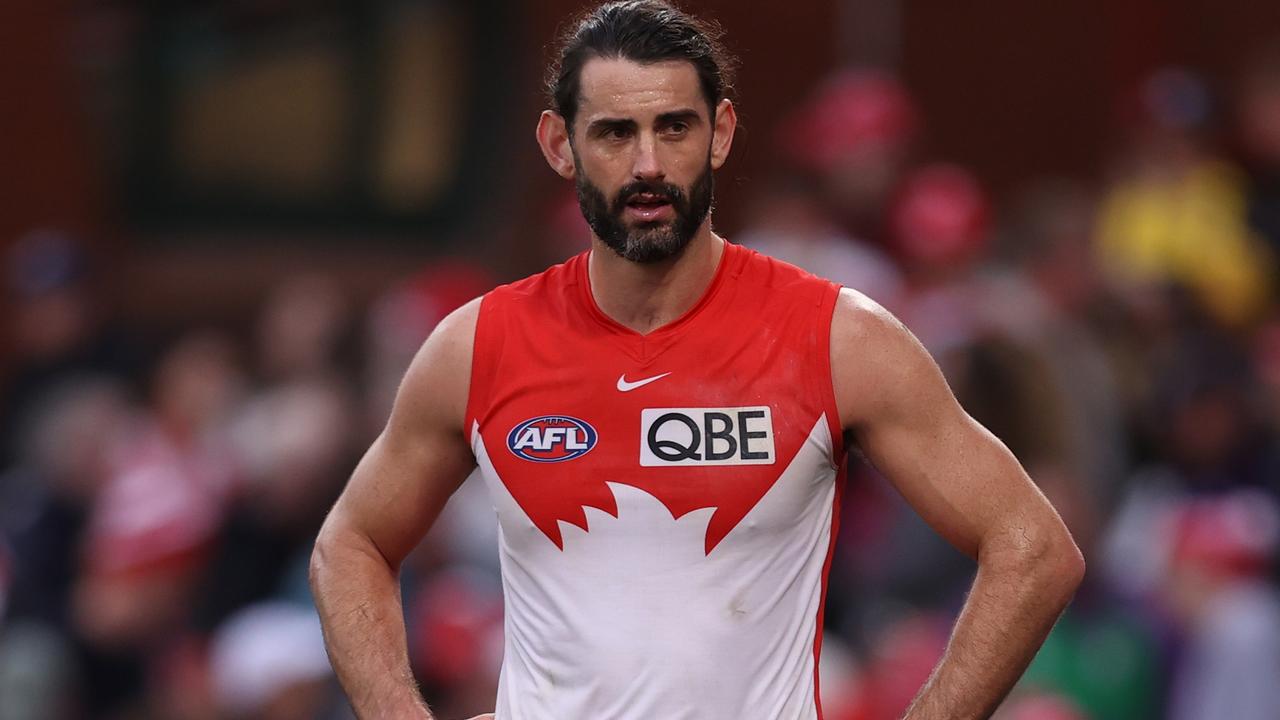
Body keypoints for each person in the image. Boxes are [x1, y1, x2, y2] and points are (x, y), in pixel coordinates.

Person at [309, 2, 1084, 719]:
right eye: (615, 133)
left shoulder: (838, 337)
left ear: (720, 133)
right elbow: (349, 544)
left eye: (673, 128)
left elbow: (1035, 550)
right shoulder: (476, 345)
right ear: (559, 145)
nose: (648, 164)